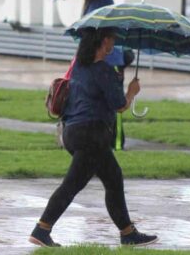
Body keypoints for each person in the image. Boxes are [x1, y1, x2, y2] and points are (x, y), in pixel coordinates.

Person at [29, 27, 158, 248]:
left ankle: (128, 233)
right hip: (92, 136)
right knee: (72, 185)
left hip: (72, 132)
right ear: (104, 41)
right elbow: (120, 106)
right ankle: (41, 229)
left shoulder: (78, 66)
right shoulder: (103, 70)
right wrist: (132, 91)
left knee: (113, 178)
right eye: (112, 40)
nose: (114, 44)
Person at [82, 0, 134, 150]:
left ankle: (103, 139)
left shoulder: (88, 5)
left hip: (95, 62)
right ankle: (117, 142)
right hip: (112, 61)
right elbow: (114, 28)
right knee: (116, 102)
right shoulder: (105, 2)